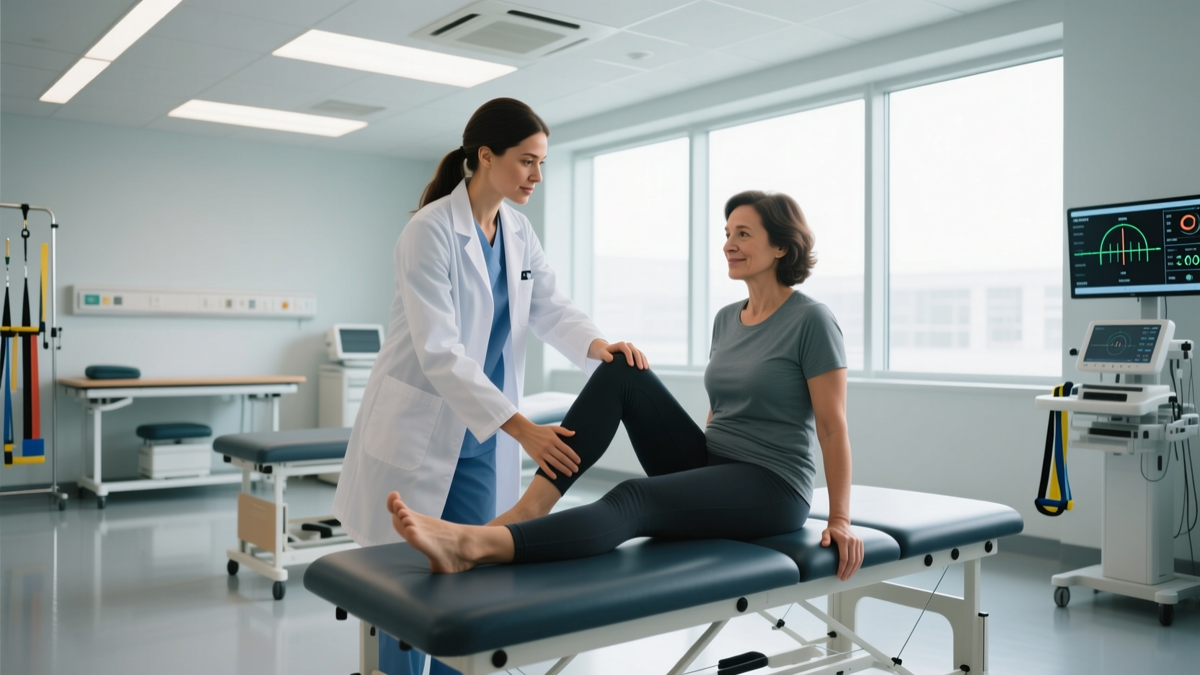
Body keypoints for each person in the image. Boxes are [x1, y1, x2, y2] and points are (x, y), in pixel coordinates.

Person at [387, 189, 865, 585]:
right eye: (727, 234)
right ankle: (532, 507)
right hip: (713, 464)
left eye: (744, 234)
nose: (728, 244)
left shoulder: (812, 320)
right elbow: (720, 410)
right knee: (620, 367)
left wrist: (839, 519)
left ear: (781, 247)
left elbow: (833, 427)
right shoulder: (727, 319)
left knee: (635, 496)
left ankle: (475, 545)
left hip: (772, 486)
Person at [332, 98, 647, 675]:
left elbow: (552, 307)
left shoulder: (519, 233)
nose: (537, 176)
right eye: (527, 161)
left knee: (472, 580)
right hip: (419, 434)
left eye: (542, 163)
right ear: (485, 156)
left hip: (483, 441)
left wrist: (598, 347)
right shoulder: (427, 232)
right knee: (405, 589)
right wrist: (524, 429)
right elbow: (439, 350)